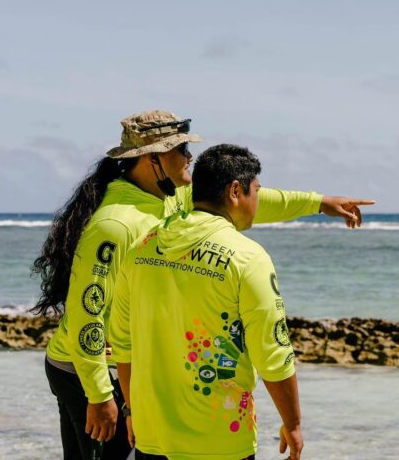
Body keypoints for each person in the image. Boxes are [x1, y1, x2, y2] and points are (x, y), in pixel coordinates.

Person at [32, 110, 373, 460]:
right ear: (153, 158)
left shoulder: (170, 197)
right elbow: (85, 311)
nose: (190, 157)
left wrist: (319, 203)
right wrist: (99, 395)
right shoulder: (116, 224)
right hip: (85, 370)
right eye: (181, 150)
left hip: (121, 365)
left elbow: (243, 199)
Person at [109, 144, 308, 460]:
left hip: (151, 435)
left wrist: (131, 411)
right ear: (235, 191)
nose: (258, 201)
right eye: (256, 191)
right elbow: (273, 352)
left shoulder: (141, 248)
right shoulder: (247, 257)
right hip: (220, 440)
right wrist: (293, 424)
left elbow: (122, 342)